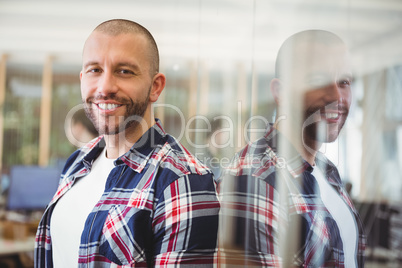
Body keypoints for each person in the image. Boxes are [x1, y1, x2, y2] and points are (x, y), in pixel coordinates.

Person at [35, 19, 219, 267]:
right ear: (82, 79)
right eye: (95, 70)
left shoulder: (183, 180)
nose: (105, 86)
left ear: (155, 87)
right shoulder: (79, 161)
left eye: (124, 71)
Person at [217, 30, 365, 267]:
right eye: (319, 80)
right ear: (280, 93)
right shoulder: (256, 180)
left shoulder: (327, 170)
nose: (337, 95)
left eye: (344, 82)